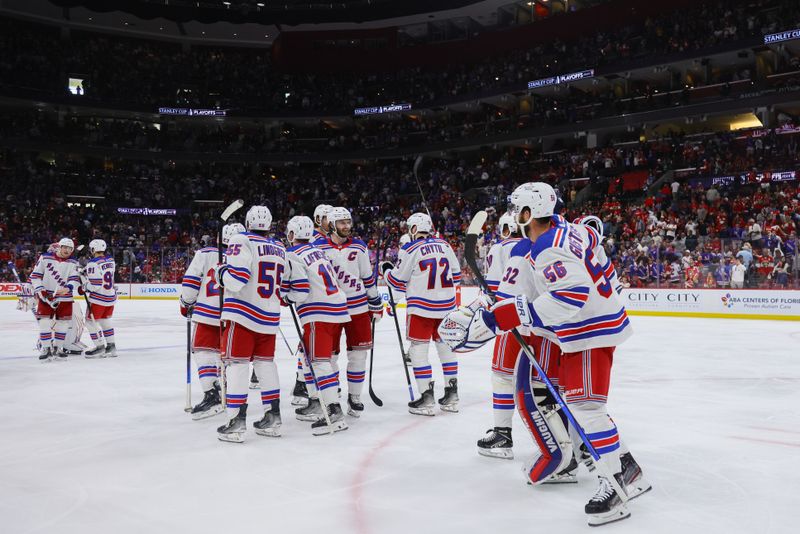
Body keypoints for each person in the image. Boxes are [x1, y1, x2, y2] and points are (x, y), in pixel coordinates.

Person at [439, 183, 649, 526]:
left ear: (526, 214)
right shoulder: (577, 230)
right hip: (600, 322)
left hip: (588, 331)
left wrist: (517, 313)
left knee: (586, 409)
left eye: (515, 210)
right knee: (585, 408)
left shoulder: (546, 247)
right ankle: (627, 469)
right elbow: (602, 271)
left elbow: (572, 296)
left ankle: (617, 484)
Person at [213, 207, 286, 443]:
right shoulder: (279, 247)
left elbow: (235, 281)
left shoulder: (240, 239)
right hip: (269, 316)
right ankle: (272, 417)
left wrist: (221, 272)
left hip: (243, 314)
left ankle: (235, 422)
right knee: (266, 365)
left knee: (236, 365)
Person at [380, 212, 462, 416]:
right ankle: (452, 395)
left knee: (418, 351)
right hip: (447, 306)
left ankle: (426, 397)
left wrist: (386, 271)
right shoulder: (445, 245)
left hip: (422, 307)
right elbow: (457, 274)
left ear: (414, 229)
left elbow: (398, 281)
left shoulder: (410, 248)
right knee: (446, 348)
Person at [282, 215, 351, 435]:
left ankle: (333, 411)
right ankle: (316, 400)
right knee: (307, 356)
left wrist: (286, 297)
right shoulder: (317, 250)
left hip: (318, 313)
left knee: (319, 362)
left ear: (292, 235)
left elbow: (300, 290)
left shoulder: (292, 254)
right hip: (336, 309)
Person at [314, 207, 383, 417]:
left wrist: (375, 300)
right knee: (329, 356)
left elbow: (367, 277)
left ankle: (354, 397)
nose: (346, 226)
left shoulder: (359, 247)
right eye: (342, 223)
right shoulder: (317, 247)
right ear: (332, 225)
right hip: (330, 308)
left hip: (358, 308)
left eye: (348, 222)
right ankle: (333, 396)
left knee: (358, 355)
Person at [179, 224, 244, 420]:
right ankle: (227, 390)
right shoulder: (244, 257)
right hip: (235, 314)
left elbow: (191, 281)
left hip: (208, 311)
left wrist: (186, 301)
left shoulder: (205, 253)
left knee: (203, 350)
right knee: (226, 355)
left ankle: (212, 394)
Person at [30, 238, 82, 362]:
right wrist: (41, 290)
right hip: (46, 296)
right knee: (44, 322)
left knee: (63, 324)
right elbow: (35, 276)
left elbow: (74, 279)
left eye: (70, 249)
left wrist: (68, 288)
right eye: (65, 247)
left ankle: (59, 348)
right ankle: (46, 349)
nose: (68, 250)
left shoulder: (73, 262)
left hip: (65, 298)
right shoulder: (45, 258)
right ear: (59, 247)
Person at [82, 239, 119, 358]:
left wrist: (85, 285)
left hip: (98, 299)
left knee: (90, 322)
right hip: (110, 297)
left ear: (93, 249)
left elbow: (96, 285)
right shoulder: (111, 260)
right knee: (105, 321)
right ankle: (111, 347)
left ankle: (99, 347)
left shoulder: (92, 263)